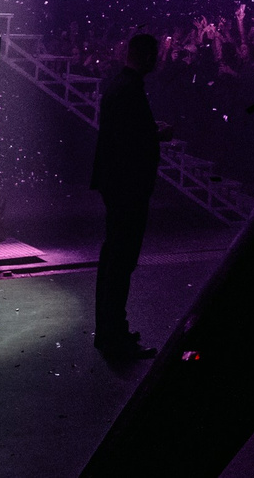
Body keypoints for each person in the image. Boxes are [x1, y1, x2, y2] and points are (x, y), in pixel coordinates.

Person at [91, 30, 176, 362]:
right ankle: (115, 336)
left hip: (116, 184)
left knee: (113, 259)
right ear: (148, 57)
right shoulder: (130, 89)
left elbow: (121, 134)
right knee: (121, 262)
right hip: (128, 187)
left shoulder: (118, 85)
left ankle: (109, 331)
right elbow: (132, 142)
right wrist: (158, 136)